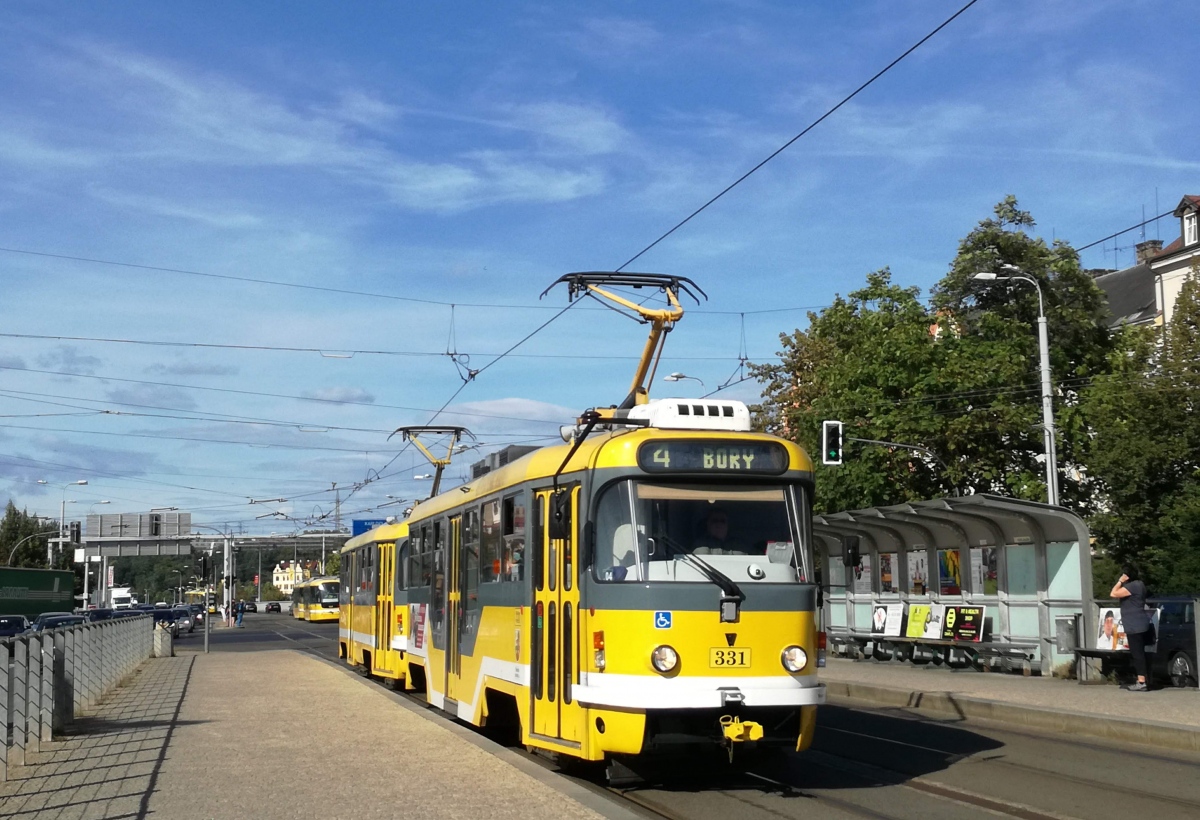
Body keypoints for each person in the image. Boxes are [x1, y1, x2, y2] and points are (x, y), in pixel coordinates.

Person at [1111, 567, 1150, 691]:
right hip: (1140, 622)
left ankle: (1141, 682)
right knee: (1141, 653)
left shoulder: (1133, 586)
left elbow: (1113, 593)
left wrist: (1120, 581)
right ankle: (1145, 679)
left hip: (1134, 625)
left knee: (1137, 654)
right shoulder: (1140, 584)